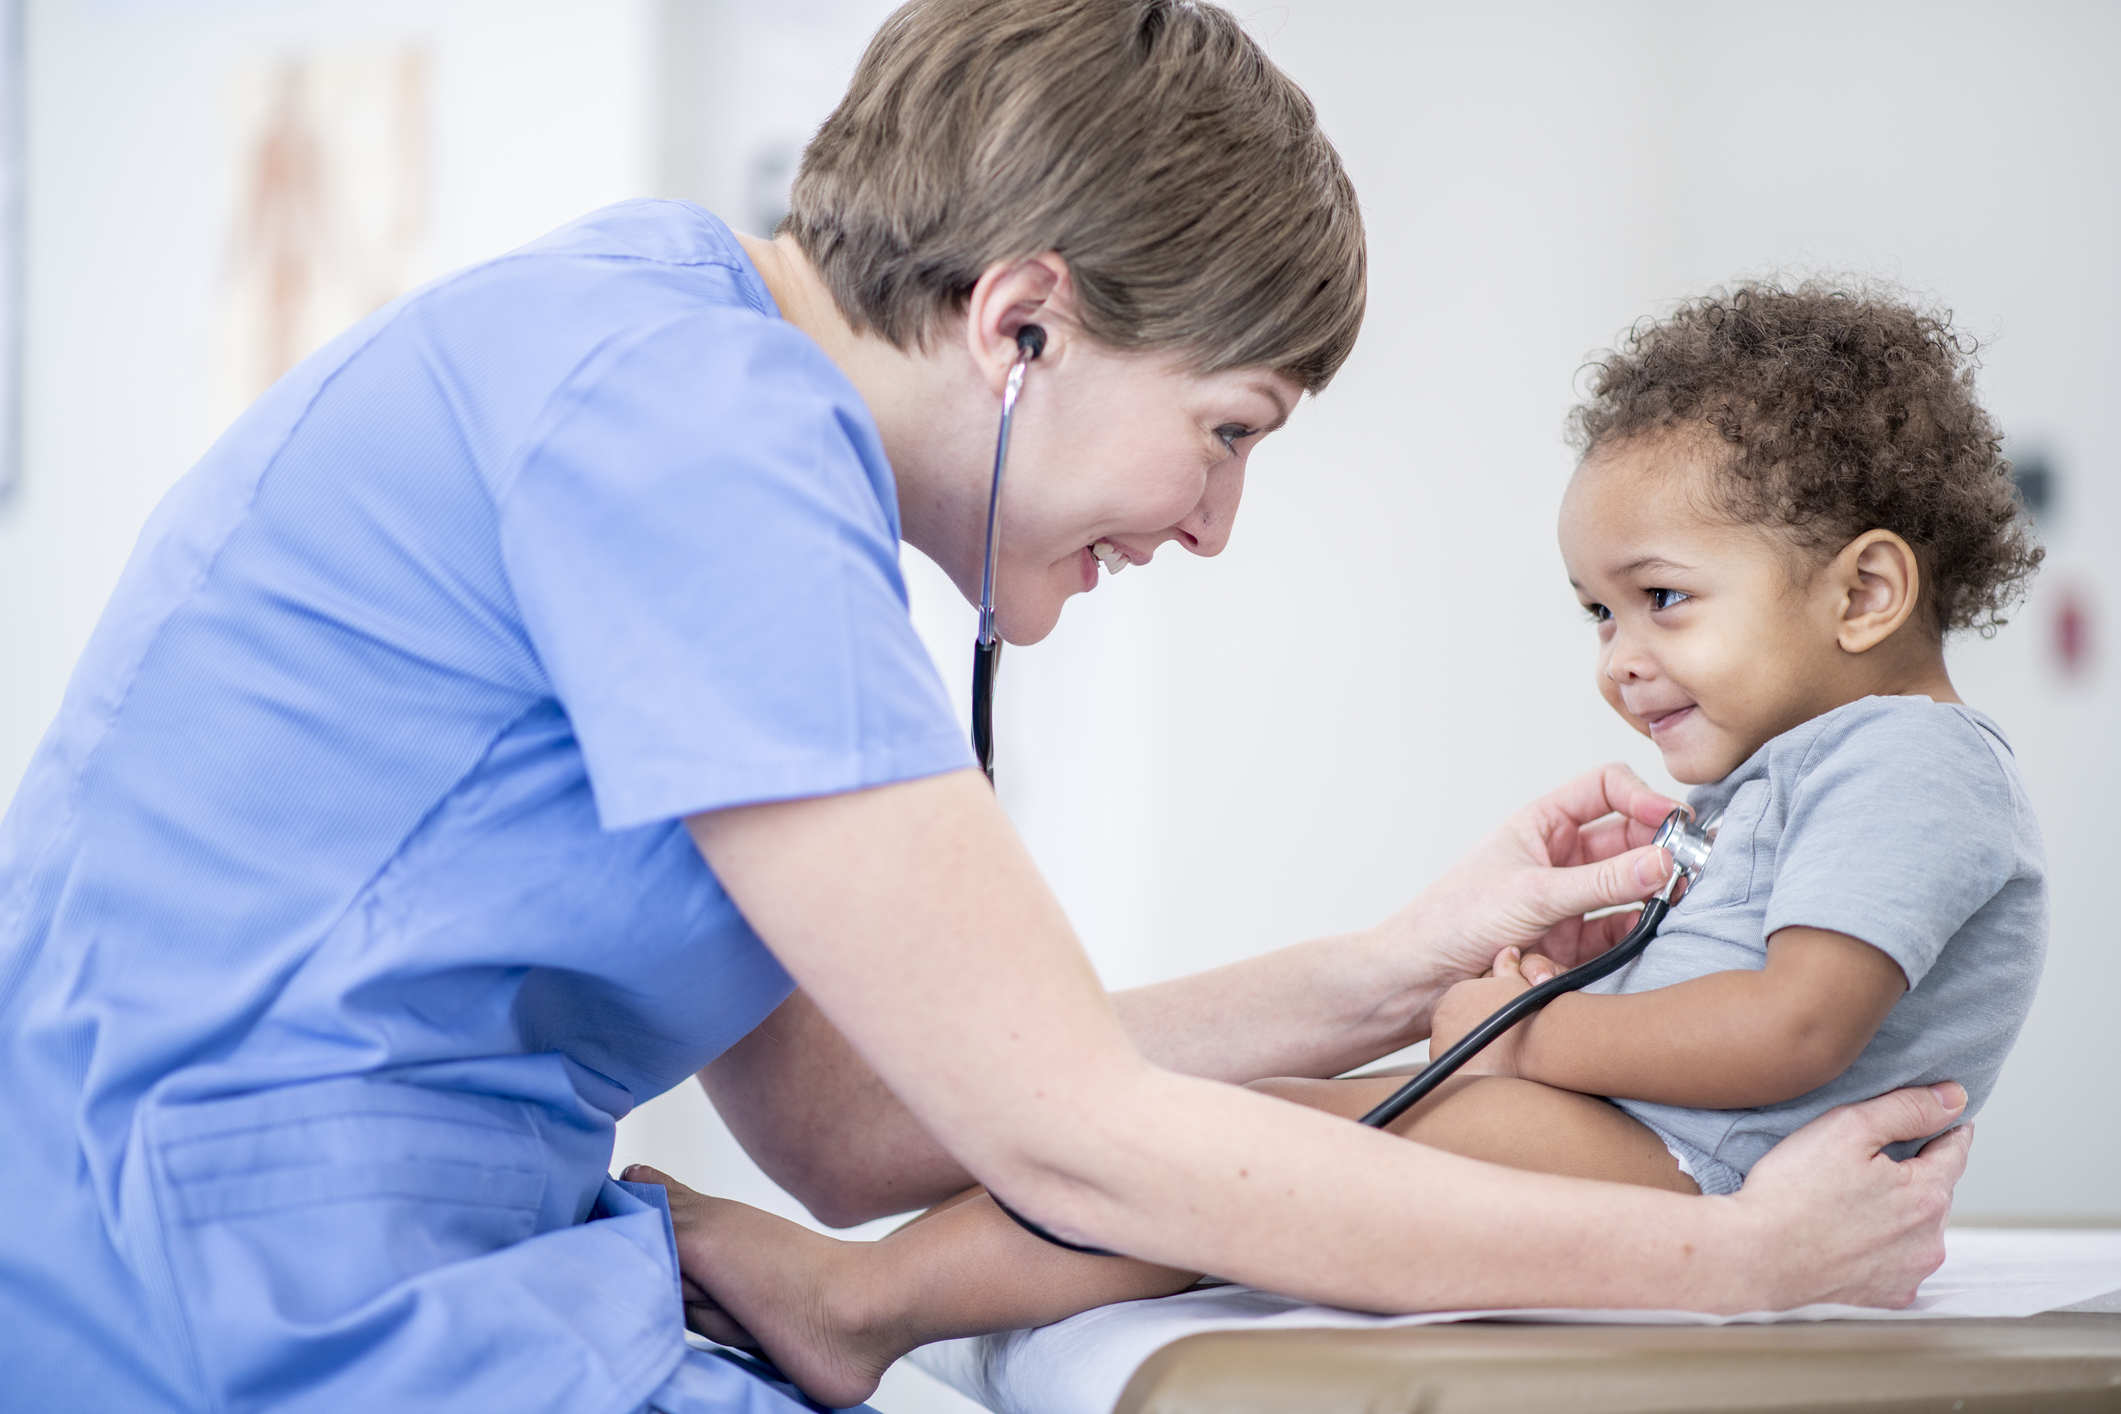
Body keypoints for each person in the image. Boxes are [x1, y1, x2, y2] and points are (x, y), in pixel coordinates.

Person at [0, 0, 1966, 1407]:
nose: (1210, 523)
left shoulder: (678, 390)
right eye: (1222, 430)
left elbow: (865, 1123)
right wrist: (1724, 1265)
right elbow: (1074, 1134)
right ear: (1020, 321)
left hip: (374, 1272)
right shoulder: (693, 447)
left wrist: (1391, 966)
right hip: (248, 1311)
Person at [634, 282, 2043, 1409]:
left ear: (1863, 588)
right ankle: (865, 1291)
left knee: (1222, 1151)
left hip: (1701, 1171)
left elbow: (1791, 1027)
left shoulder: (1909, 763)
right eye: (1596, 615)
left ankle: (857, 1303)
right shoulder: (1803, 774)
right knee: (1223, 1147)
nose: (1620, 660)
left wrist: (1526, 1038)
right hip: (1656, 1145)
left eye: (1662, 599)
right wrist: (1579, 990)